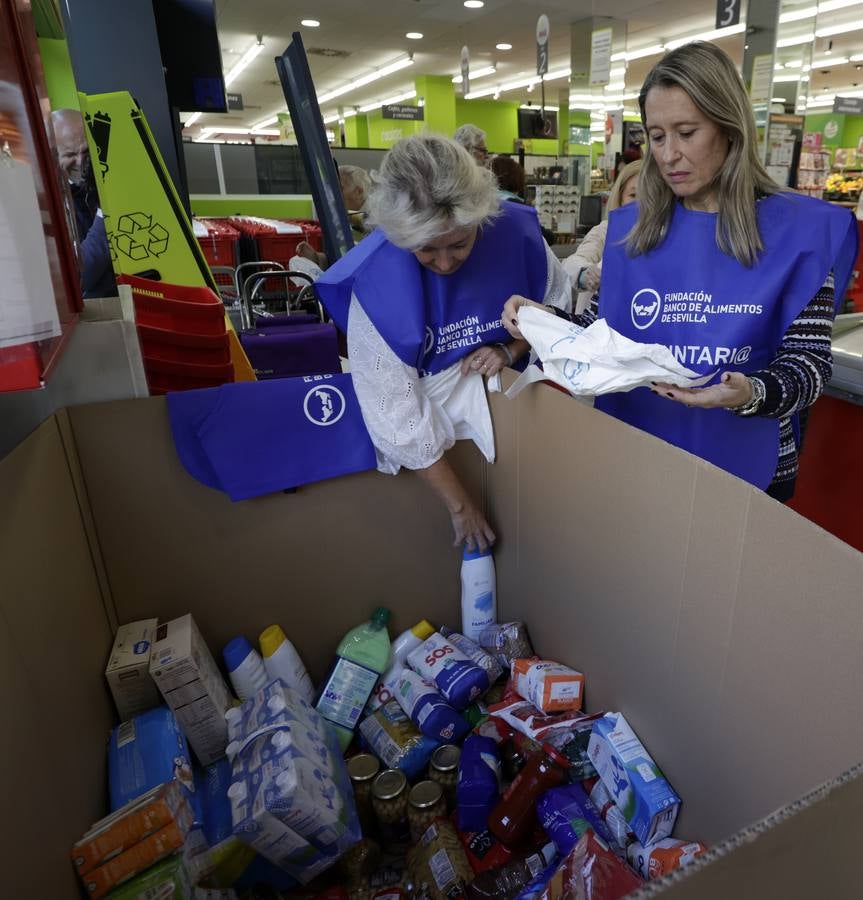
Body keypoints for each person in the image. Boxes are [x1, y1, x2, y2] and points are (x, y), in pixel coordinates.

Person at [502, 42, 858, 501]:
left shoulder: (796, 236)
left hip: (751, 469)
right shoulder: (635, 233)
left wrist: (750, 391)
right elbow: (606, 335)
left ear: (729, 128)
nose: (668, 155)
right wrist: (543, 320)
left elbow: (808, 364)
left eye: (687, 133)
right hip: (641, 451)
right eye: (656, 136)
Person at [316, 134, 572, 549]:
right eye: (426, 251)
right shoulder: (378, 283)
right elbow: (394, 413)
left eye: (459, 243)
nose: (446, 262)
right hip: (438, 454)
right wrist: (460, 506)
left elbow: (556, 313)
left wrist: (511, 348)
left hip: (520, 415)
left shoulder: (517, 235)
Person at [51, 108, 116, 299]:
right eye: (70, 154)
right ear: (53, 155)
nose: (80, 162)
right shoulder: (50, 203)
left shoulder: (111, 179)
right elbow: (78, 276)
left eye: (87, 150)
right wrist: (106, 215)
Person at [565, 159, 641, 312]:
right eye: (633, 195)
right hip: (594, 328)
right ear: (619, 198)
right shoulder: (606, 231)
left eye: (651, 195)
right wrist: (586, 274)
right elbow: (571, 264)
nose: (641, 203)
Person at [296, 164, 372, 270]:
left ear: (358, 192)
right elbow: (346, 255)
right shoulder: (346, 216)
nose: (332, 195)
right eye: (331, 188)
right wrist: (316, 258)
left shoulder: (376, 221)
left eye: (339, 188)